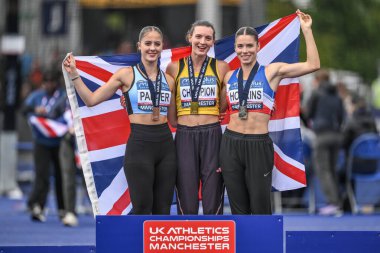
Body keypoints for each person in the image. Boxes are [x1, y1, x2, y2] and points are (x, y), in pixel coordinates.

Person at [63, 26, 177, 215]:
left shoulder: (170, 80)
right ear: (139, 46)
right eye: (148, 43)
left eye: (157, 44)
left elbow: (174, 120)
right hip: (140, 145)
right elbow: (91, 100)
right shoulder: (126, 75)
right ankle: (135, 245)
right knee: (141, 207)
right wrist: (74, 75)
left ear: (162, 47)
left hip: (166, 146)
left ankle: (154, 246)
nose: (152, 48)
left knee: (163, 209)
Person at [219, 10, 320, 215]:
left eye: (249, 46)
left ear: (258, 46)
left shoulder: (271, 71)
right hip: (230, 144)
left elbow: (313, 65)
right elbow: (219, 109)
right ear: (235, 48)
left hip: (258, 143)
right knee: (238, 207)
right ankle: (242, 246)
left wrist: (307, 31)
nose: (245, 50)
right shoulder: (228, 76)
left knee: (260, 205)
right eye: (240, 46)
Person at [166, 20, 229, 215]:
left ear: (213, 42)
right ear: (189, 38)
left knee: (213, 188)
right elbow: (168, 104)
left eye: (207, 38)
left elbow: (229, 98)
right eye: (198, 37)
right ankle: (187, 236)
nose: (202, 41)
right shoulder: (174, 68)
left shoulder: (221, 67)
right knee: (186, 187)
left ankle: (213, 236)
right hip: (184, 134)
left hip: (212, 134)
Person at [22, 70, 67, 222]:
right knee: (42, 175)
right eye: (46, 82)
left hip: (59, 142)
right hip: (41, 141)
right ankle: (38, 206)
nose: (48, 85)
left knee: (61, 176)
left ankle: (63, 208)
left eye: (51, 82)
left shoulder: (63, 96)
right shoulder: (37, 96)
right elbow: (24, 109)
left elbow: (68, 115)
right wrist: (35, 110)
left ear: (57, 83)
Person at [305, 69, 345, 215]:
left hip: (322, 135)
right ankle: (337, 201)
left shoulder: (316, 93)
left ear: (318, 80)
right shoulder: (337, 95)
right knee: (333, 169)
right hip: (336, 135)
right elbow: (342, 117)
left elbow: (309, 114)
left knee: (324, 170)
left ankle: (333, 203)